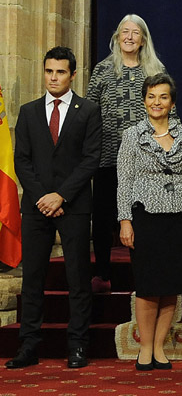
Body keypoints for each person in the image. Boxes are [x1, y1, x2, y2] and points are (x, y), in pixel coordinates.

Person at [6, 47, 101, 369]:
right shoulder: (29, 111)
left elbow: (91, 159)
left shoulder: (88, 110)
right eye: (49, 71)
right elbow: (22, 160)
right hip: (35, 208)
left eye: (60, 72)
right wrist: (42, 197)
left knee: (78, 278)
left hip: (73, 206)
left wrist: (61, 196)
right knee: (33, 278)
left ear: (72, 75)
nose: (53, 78)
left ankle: (77, 346)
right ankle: (28, 345)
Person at [116, 74, 182, 371]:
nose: (157, 102)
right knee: (149, 285)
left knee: (171, 285)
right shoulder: (132, 135)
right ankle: (145, 347)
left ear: (172, 102)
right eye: (151, 96)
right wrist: (125, 220)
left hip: (180, 215)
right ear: (144, 100)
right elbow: (124, 181)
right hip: (146, 217)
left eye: (163, 97)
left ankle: (160, 347)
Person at [86, 14, 168, 293]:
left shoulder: (156, 70)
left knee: (141, 218)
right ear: (117, 36)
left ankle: (142, 275)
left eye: (136, 33)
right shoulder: (103, 69)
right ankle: (102, 273)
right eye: (125, 32)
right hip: (108, 155)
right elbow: (89, 110)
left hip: (144, 160)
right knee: (104, 213)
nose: (130, 37)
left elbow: (171, 114)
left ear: (143, 39)